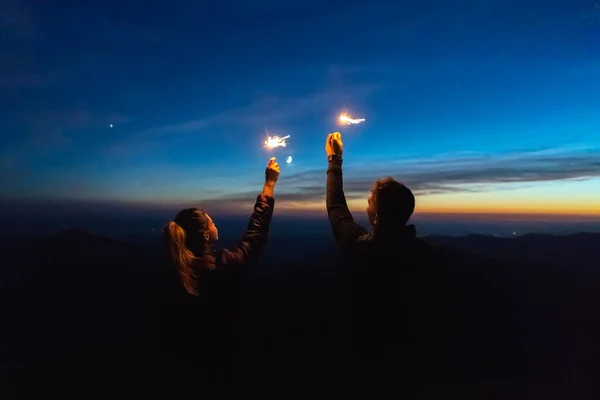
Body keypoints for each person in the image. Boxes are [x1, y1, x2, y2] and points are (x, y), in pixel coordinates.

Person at [324, 132, 453, 396]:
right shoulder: (435, 259)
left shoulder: (361, 250)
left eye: (370, 204)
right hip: (419, 371)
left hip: (366, 368)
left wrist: (334, 159)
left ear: (376, 216)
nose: (366, 206)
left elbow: (336, 207)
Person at [158, 157, 280, 396]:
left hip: (183, 373)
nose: (215, 224)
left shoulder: (173, 273)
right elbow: (255, 235)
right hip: (224, 366)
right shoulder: (220, 269)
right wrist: (269, 185)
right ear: (205, 235)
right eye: (211, 223)